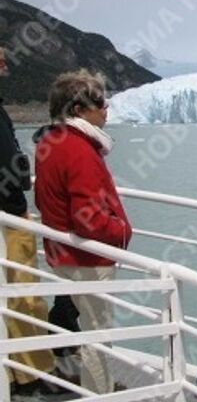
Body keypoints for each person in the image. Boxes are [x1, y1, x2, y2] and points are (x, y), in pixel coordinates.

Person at [34, 70, 133, 394]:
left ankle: (95, 386)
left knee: (89, 329)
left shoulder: (51, 141)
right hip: (87, 259)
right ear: (78, 110)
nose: (106, 109)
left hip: (62, 253)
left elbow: (43, 199)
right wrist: (121, 231)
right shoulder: (78, 149)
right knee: (97, 335)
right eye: (100, 103)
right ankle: (100, 393)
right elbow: (87, 218)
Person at [0, 47, 58, 396]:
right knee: (25, 297)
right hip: (9, 216)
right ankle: (30, 375)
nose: (5, 64)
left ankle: (24, 370)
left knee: (22, 296)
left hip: (10, 213)